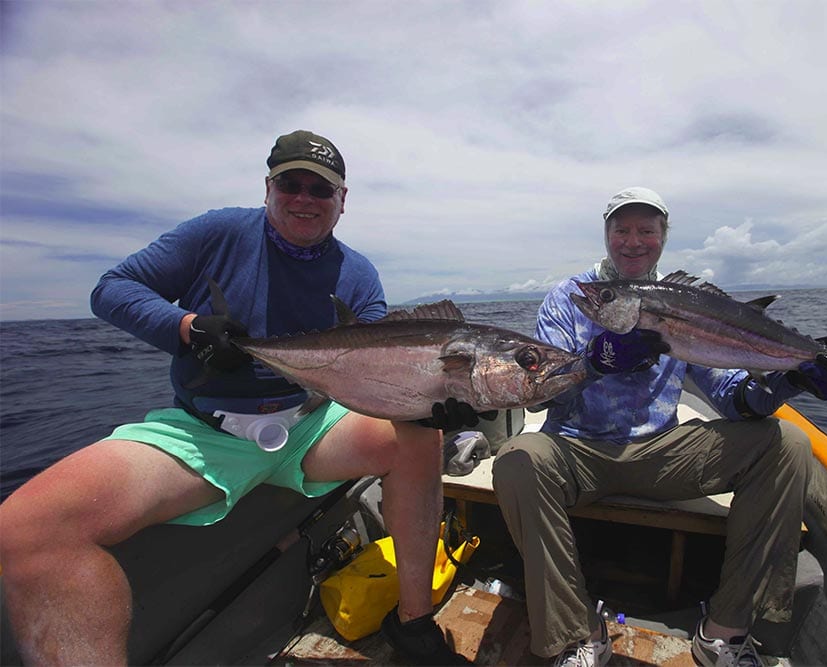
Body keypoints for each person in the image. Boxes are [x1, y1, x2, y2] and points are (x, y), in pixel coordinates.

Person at [0, 130, 476, 666]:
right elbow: (113, 288)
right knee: (26, 528)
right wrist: (188, 327)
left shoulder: (358, 273)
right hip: (204, 431)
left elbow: (369, 369)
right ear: (268, 188)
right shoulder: (218, 232)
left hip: (310, 422)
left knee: (420, 438)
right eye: (290, 184)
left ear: (342, 202)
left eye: (320, 189)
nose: (304, 198)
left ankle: (413, 623)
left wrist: (427, 400)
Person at [491, 186, 827, 667]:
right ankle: (577, 634)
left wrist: (796, 379)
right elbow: (542, 389)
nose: (633, 241)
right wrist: (594, 362)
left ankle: (726, 630)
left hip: (663, 450)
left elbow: (738, 398)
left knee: (787, 443)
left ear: (663, 237)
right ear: (607, 234)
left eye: (646, 231)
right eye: (622, 229)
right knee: (516, 459)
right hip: (578, 451)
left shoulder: (687, 302)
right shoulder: (571, 297)